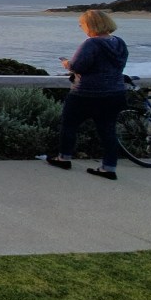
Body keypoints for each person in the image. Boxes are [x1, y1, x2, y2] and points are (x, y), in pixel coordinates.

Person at [42, 9, 128, 179]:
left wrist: (67, 63)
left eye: (81, 24)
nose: (81, 27)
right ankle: (109, 168)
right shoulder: (119, 43)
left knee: (69, 125)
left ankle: (64, 158)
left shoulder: (91, 44)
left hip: (86, 94)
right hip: (115, 93)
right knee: (108, 131)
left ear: (90, 24)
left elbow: (78, 66)